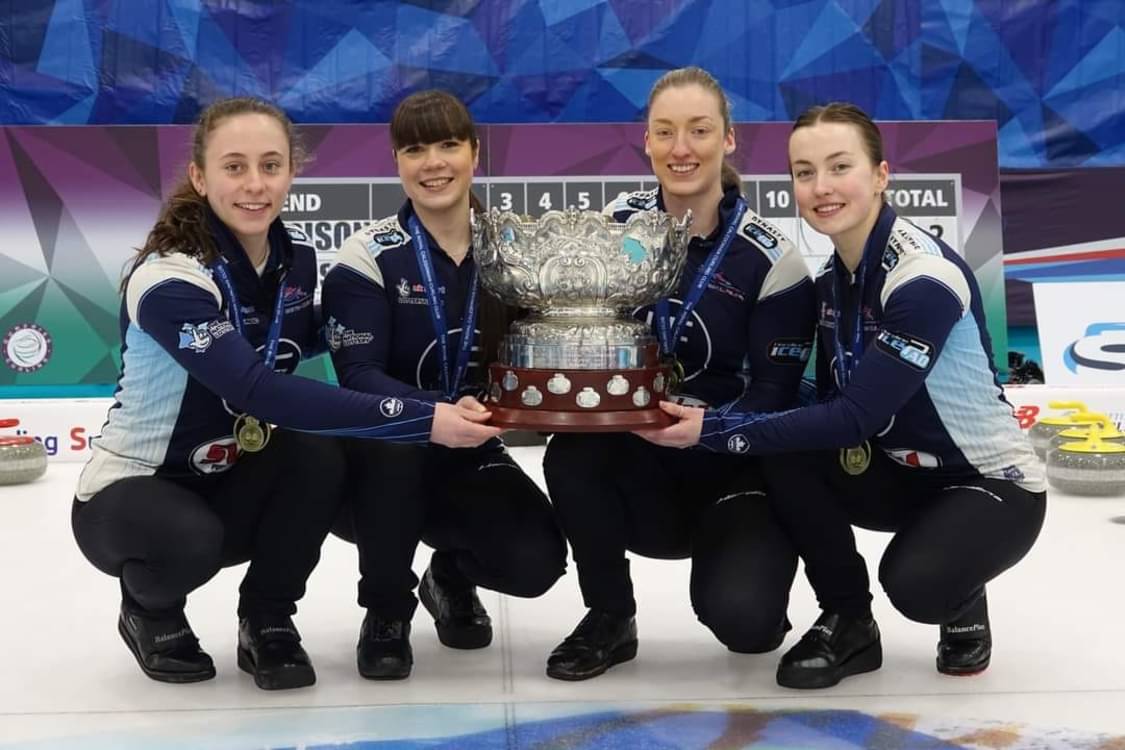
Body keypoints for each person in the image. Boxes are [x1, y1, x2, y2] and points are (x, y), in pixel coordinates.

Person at [72, 97, 503, 692]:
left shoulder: (294, 261)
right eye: (235, 167)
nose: (255, 184)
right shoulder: (170, 277)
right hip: (135, 489)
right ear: (200, 176)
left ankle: (267, 620)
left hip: (230, 474)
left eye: (270, 166)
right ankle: (151, 610)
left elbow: (307, 332)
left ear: (290, 174)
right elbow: (257, 388)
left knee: (313, 457)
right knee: (190, 539)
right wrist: (422, 416)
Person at [637, 102, 1046, 689]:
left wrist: (713, 429)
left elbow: (855, 415)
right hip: (892, 469)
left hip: (985, 482)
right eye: (805, 173)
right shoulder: (832, 280)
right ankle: (848, 618)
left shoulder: (922, 279)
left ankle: (960, 592)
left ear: (881, 175)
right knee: (787, 453)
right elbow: (819, 403)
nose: (821, 187)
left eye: (839, 167)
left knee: (916, 585)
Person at [540, 67, 817, 681]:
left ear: (729, 139)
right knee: (569, 456)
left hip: (728, 466)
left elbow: (774, 394)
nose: (681, 148)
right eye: (664, 132)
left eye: (699, 130)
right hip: (634, 458)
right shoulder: (613, 228)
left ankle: (752, 581)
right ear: (646, 141)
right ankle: (609, 615)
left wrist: (706, 428)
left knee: (748, 630)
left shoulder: (772, 256)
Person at [321, 90, 567, 680]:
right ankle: (386, 611)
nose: (433, 163)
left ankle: (448, 576)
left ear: (475, 153)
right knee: (396, 448)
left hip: (471, 452)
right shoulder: (368, 256)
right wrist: (437, 411)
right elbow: (359, 376)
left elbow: (543, 358)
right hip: (380, 457)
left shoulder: (515, 253)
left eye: (448, 145)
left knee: (536, 561)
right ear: (396, 162)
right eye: (414, 149)